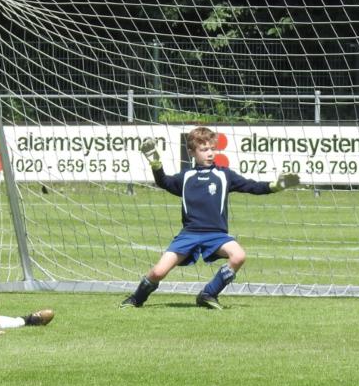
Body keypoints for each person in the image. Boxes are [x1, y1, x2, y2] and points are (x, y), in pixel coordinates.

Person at [121, 126, 299, 310]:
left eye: (212, 149)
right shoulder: (186, 176)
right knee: (158, 271)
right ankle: (136, 299)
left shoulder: (224, 175)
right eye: (204, 150)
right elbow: (164, 182)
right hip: (188, 234)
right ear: (191, 152)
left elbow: (251, 186)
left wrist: (275, 186)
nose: (210, 153)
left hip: (216, 235)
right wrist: (156, 165)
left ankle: (208, 294)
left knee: (238, 256)